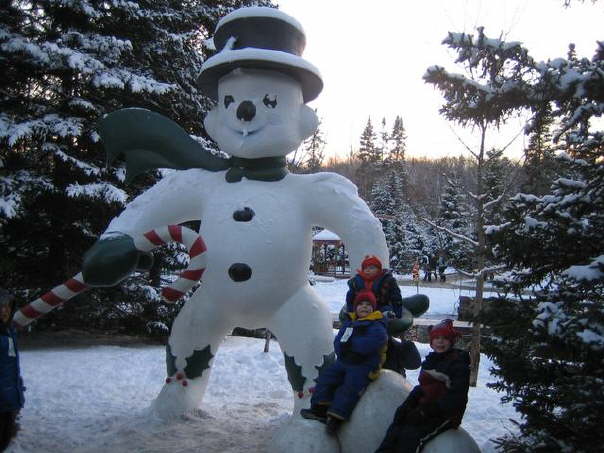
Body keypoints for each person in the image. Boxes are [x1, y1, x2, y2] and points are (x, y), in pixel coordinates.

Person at [375, 319, 470, 453]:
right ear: (431, 343)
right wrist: (411, 402)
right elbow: (424, 386)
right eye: (436, 338)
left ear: (451, 341)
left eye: (444, 338)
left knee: (412, 434)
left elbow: (456, 398)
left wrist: (426, 411)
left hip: (445, 414)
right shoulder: (432, 361)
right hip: (427, 406)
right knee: (399, 420)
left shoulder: (458, 365)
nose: (440, 341)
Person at [301, 290, 388, 435]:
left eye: (368, 305)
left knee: (350, 385)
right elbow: (338, 341)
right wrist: (343, 348)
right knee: (326, 377)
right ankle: (320, 407)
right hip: (345, 360)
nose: (364, 307)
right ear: (355, 307)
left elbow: (372, 343)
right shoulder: (349, 324)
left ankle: (336, 417)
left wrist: (352, 345)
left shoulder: (376, 325)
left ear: (374, 308)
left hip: (364, 363)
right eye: (361, 304)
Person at [0, 289, 25, 451]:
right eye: (0, 307)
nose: (4, 311)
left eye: (7, 307)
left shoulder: (9, 332)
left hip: (8, 399)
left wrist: (18, 386)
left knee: (4, 441)